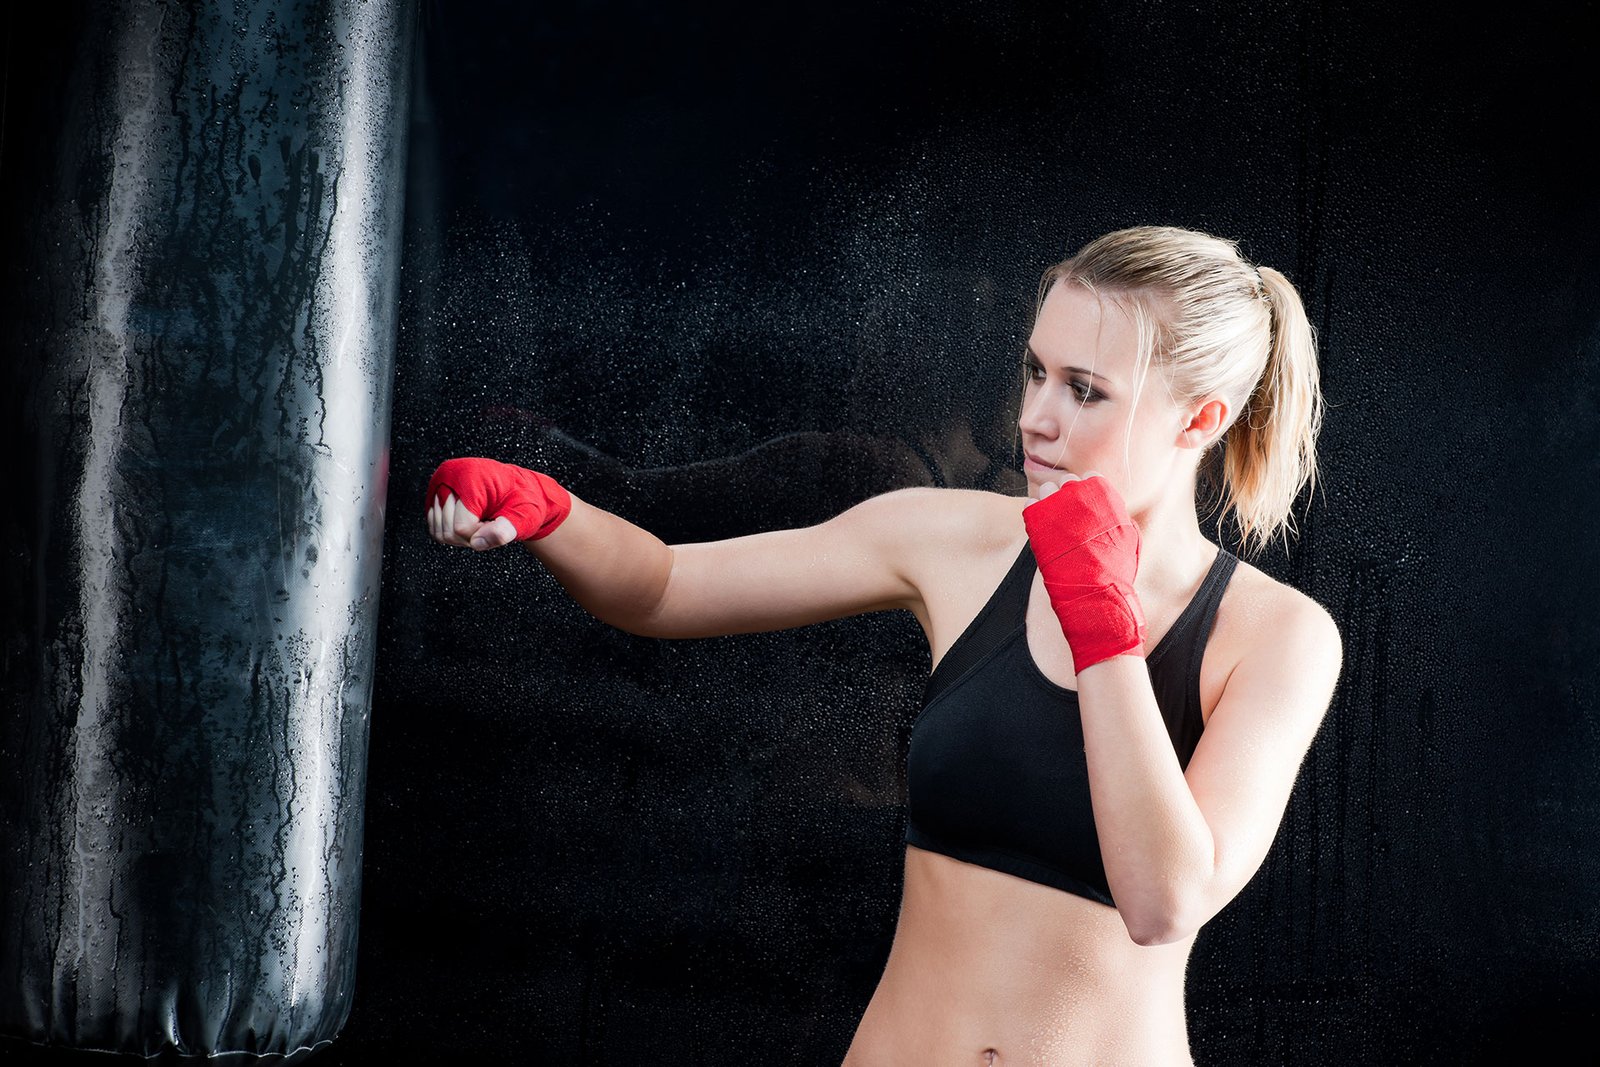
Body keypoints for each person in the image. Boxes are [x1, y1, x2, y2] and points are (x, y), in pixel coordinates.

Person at [423, 224, 1344, 1065]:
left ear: (1201, 421)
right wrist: (552, 513)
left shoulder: (1275, 636)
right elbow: (665, 584)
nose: (1035, 417)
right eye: (1034, 372)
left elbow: (1165, 901)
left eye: (1085, 390)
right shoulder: (952, 541)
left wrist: (1101, 619)